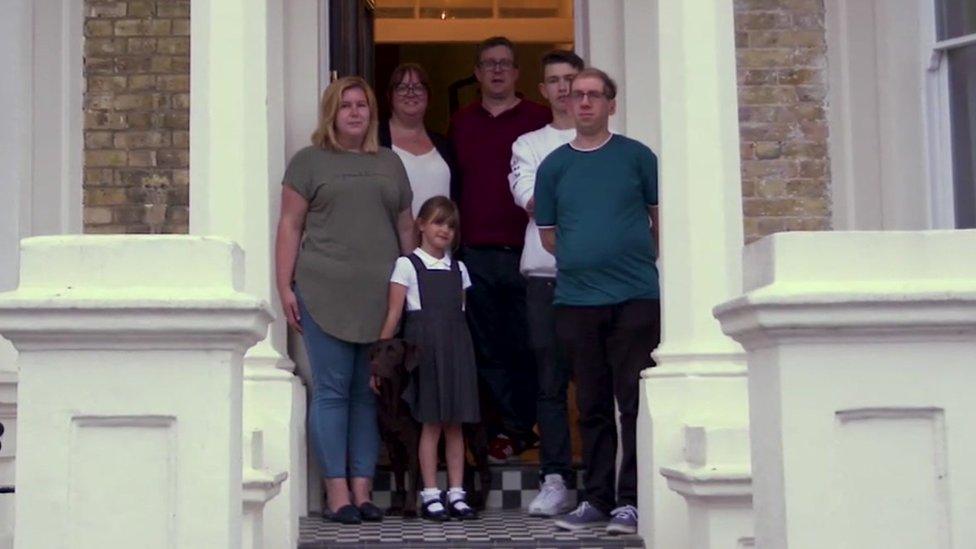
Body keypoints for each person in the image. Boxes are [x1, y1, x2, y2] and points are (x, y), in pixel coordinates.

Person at [275, 76, 415, 525]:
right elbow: (290, 226)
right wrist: (283, 286)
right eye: (345, 106)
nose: (355, 113)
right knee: (333, 392)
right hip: (323, 290)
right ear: (331, 114)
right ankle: (338, 494)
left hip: (381, 297)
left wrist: (411, 283)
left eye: (362, 105)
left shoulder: (390, 163)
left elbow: (406, 226)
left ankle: (363, 489)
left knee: (367, 394)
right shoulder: (308, 163)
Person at [534, 68, 661, 535]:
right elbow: (549, 237)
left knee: (631, 401)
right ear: (567, 104)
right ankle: (597, 498)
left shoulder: (638, 157)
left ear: (612, 103)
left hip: (635, 298)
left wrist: (630, 259)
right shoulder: (553, 167)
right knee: (589, 404)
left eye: (594, 95)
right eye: (576, 95)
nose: (584, 102)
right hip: (576, 301)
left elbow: (658, 218)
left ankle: (631, 502)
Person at [449, 36, 552, 461]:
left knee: (530, 344)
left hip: (530, 254)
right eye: (489, 64)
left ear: (516, 73)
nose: (497, 70)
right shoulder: (461, 123)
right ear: (477, 73)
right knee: (487, 348)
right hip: (476, 251)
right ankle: (506, 429)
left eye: (505, 64)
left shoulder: (539, 120)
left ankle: (526, 424)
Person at [508, 49, 584, 517]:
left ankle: (604, 485)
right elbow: (535, 201)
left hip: (599, 278)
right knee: (550, 386)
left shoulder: (615, 143)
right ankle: (555, 478)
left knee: (601, 386)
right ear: (542, 90)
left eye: (570, 79)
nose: (562, 88)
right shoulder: (528, 143)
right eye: (553, 80)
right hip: (545, 277)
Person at [376, 196, 480, 522]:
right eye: (437, 222)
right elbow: (394, 314)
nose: (444, 230)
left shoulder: (459, 268)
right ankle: (431, 493)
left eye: (450, 225)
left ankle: (457, 492)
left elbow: (459, 312)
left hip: (456, 347)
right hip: (425, 349)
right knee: (430, 421)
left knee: (455, 422)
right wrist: (379, 362)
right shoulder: (407, 265)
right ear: (421, 224)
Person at [379, 62, 459, 217]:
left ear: (428, 95)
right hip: (390, 239)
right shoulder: (375, 140)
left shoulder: (445, 144)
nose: (411, 93)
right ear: (390, 95)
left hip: (440, 239)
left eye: (418, 87)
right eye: (402, 88)